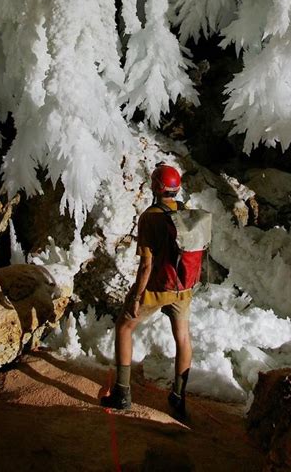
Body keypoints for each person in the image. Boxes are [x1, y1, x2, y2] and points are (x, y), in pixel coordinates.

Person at [101, 163, 194, 416]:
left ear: (155, 186)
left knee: (124, 326)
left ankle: (122, 393)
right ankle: (178, 397)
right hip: (183, 286)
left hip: (156, 286)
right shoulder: (187, 213)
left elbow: (146, 265)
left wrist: (136, 296)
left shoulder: (150, 217)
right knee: (183, 336)